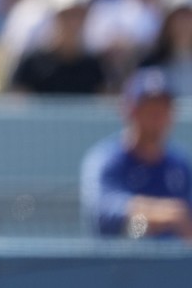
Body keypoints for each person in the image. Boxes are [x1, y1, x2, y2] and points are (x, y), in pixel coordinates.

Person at [80, 67, 192, 240]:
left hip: (176, 257)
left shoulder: (179, 165)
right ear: (131, 110)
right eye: (150, 109)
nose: (157, 117)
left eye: (163, 109)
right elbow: (104, 211)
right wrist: (161, 215)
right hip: (121, 256)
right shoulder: (107, 160)